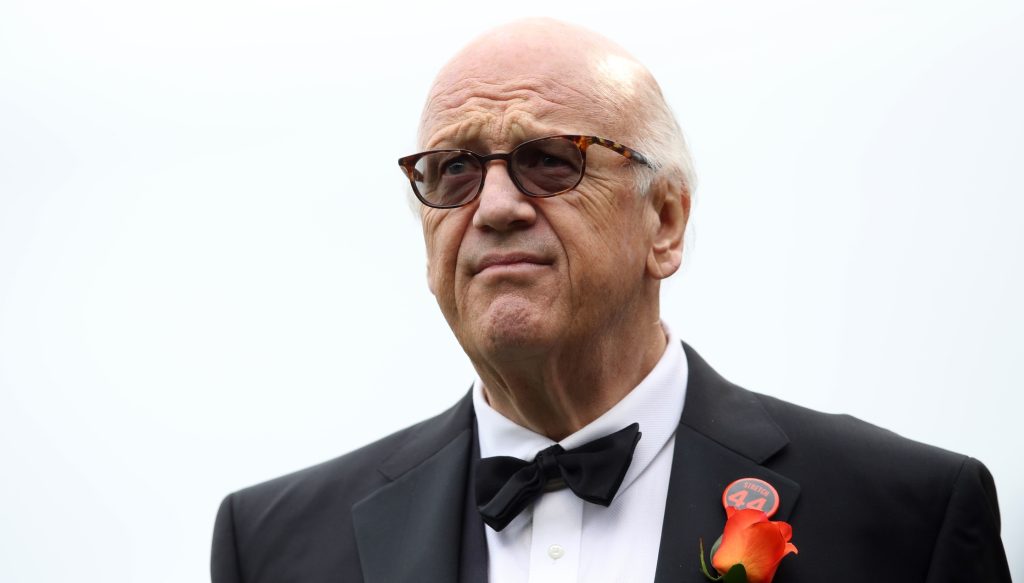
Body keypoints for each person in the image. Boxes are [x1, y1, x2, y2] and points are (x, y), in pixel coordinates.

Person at [210, 19, 1011, 583]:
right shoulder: (274, 546)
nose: (494, 207)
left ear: (665, 221)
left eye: (550, 161)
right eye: (452, 170)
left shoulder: (904, 518)